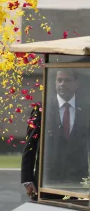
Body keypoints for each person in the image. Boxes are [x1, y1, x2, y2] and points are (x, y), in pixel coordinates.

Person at [21, 69, 89, 200]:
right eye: (59, 80)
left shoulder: (86, 109)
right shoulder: (42, 109)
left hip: (78, 184)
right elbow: (30, 145)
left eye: (67, 80)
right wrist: (27, 180)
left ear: (76, 83)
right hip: (47, 182)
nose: (62, 84)